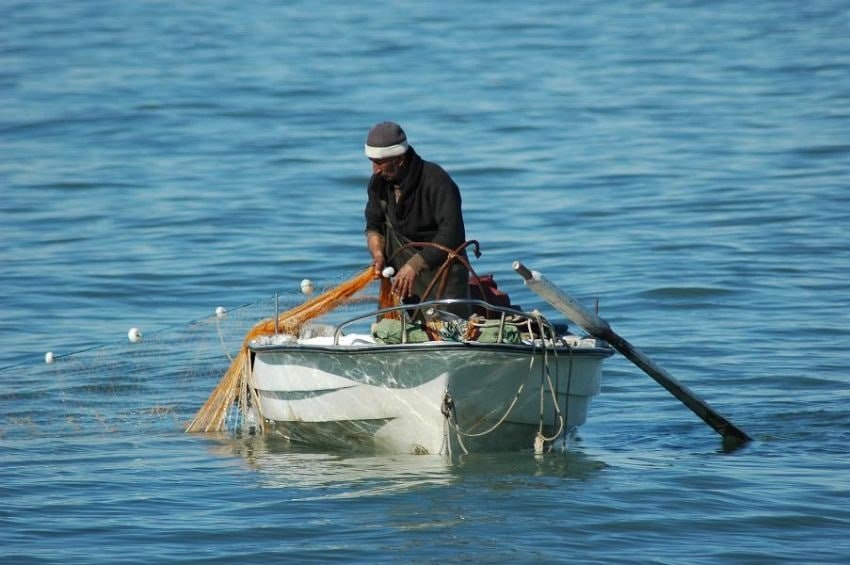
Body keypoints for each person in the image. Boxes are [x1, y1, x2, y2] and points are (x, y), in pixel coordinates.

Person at [363, 121, 470, 307]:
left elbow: (452, 234)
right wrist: (378, 255)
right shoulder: (378, 184)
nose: (375, 170)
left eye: (380, 162)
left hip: (442, 276)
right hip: (400, 279)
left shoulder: (436, 181)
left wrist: (415, 265)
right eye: (372, 162)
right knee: (390, 324)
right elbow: (374, 226)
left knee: (447, 323)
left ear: (399, 159)